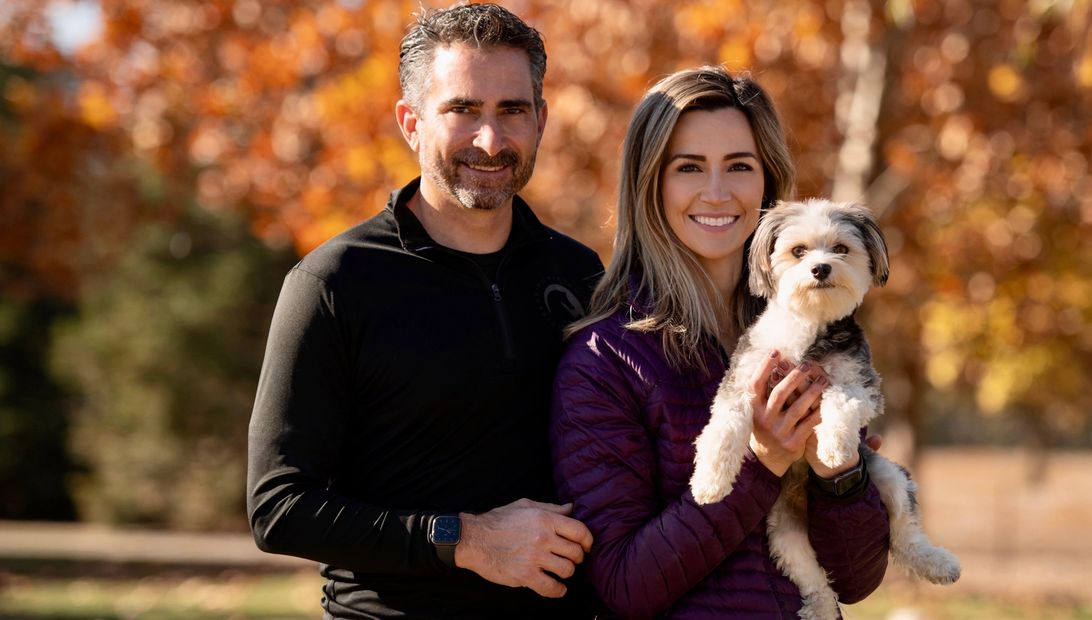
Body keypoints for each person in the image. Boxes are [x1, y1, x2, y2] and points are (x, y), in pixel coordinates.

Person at [246, 4, 603, 618]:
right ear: (411, 122)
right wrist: (465, 540)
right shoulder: (335, 281)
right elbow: (279, 507)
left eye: (512, 110)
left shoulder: (581, 274)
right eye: (462, 110)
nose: (490, 141)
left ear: (541, 121)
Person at [549, 66, 891, 619]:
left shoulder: (822, 336)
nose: (716, 192)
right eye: (688, 168)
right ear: (651, 183)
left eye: (739, 166)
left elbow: (855, 580)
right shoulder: (605, 359)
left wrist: (842, 478)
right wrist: (762, 461)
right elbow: (620, 586)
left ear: (768, 182)